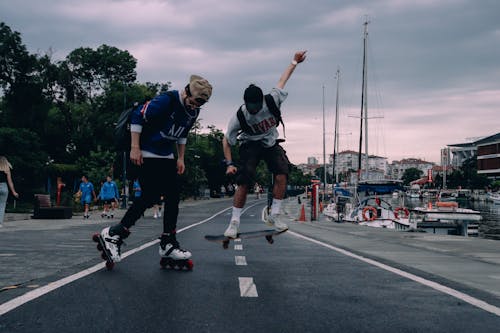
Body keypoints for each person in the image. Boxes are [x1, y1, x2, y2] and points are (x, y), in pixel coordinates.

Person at [99, 74, 212, 262]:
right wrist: (135, 147)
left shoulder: (193, 111)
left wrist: (181, 158)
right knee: (150, 196)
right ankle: (114, 233)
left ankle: (168, 242)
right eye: (194, 102)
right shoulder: (166, 101)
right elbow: (137, 116)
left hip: (166, 155)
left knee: (173, 196)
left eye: (200, 105)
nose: (195, 107)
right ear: (187, 92)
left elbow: (182, 134)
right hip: (146, 152)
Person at [222, 50, 307, 238]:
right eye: (250, 108)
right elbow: (226, 140)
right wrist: (229, 164)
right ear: (245, 103)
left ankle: (274, 215)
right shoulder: (239, 116)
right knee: (244, 180)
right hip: (250, 145)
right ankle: (234, 222)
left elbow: (283, 80)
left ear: (261, 101)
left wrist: (294, 61)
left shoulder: (272, 99)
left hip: (269, 142)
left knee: (282, 172)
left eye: (256, 107)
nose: (253, 111)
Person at [0, 156, 19, 227]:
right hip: (4, 187)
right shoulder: (7, 169)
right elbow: (10, 182)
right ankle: (0, 223)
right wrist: (14, 192)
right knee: (2, 206)